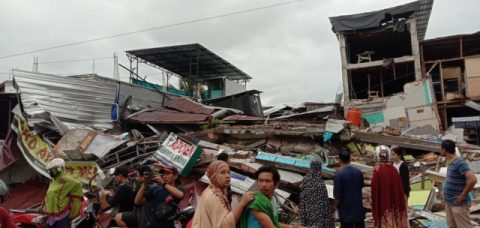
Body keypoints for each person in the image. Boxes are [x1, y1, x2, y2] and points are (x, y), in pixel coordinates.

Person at [192, 160, 255, 228]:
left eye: (228, 172)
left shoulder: (215, 189)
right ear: (214, 176)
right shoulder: (214, 196)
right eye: (223, 173)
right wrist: (242, 203)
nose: (227, 176)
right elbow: (224, 225)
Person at [238, 165, 303, 228]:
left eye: (267, 181)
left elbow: (275, 223)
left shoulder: (275, 199)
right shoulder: (256, 203)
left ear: (276, 184)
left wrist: (292, 226)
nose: (263, 185)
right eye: (260, 181)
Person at [441, 139, 477, 228]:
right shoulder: (450, 161)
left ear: (444, 150)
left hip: (458, 203)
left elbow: (473, 179)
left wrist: (462, 196)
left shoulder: (459, 162)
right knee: (452, 225)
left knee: (464, 226)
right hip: (449, 201)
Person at [371, 145, 408, 228]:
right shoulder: (393, 169)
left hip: (383, 203)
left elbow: (374, 191)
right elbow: (399, 188)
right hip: (394, 204)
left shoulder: (377, 171)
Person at [43, 158, 84, 228]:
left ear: (59, 169)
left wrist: (73, 215)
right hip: (50, 216)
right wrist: (43, 206)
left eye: (52, 170)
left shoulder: (70, 181)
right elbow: (49, 194)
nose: (50, 172)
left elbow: (77, 198)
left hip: (62, 216)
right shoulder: (54, 180)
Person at [333, 149, 365, 228]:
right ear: (350, 158)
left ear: (339, 159)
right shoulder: (358, 172)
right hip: (358, 207)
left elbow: (337, 195)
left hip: (345, 209)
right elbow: (361, 186)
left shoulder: (339, 174)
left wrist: (334, 207)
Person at [300, 160, 335, 228]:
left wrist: (302, 213)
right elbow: (325, 200)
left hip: (309, 211)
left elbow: (302, 197)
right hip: (320, 213)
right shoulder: (320, 181)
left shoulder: (305, 179)